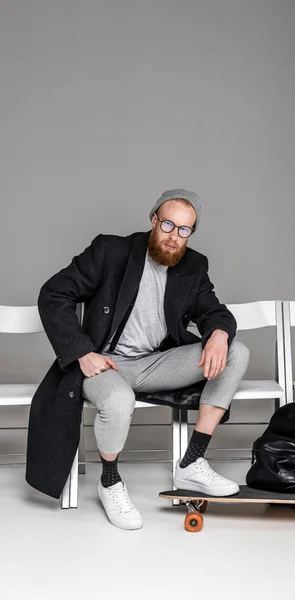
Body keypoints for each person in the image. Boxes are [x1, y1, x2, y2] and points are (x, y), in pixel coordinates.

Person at [26, 189, 250, 529]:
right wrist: (83, 353)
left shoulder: (193, 265)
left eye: (184, 230)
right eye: (168, 225)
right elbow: (53, 294)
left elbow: (213, 310)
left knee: (237, 351)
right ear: (153, 220)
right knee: (117, 398)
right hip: (104, 364)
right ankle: (110, 482)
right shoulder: (111, 251)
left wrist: (219, 332)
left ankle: (191, 462)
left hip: (155, 365)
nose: (174, 237)